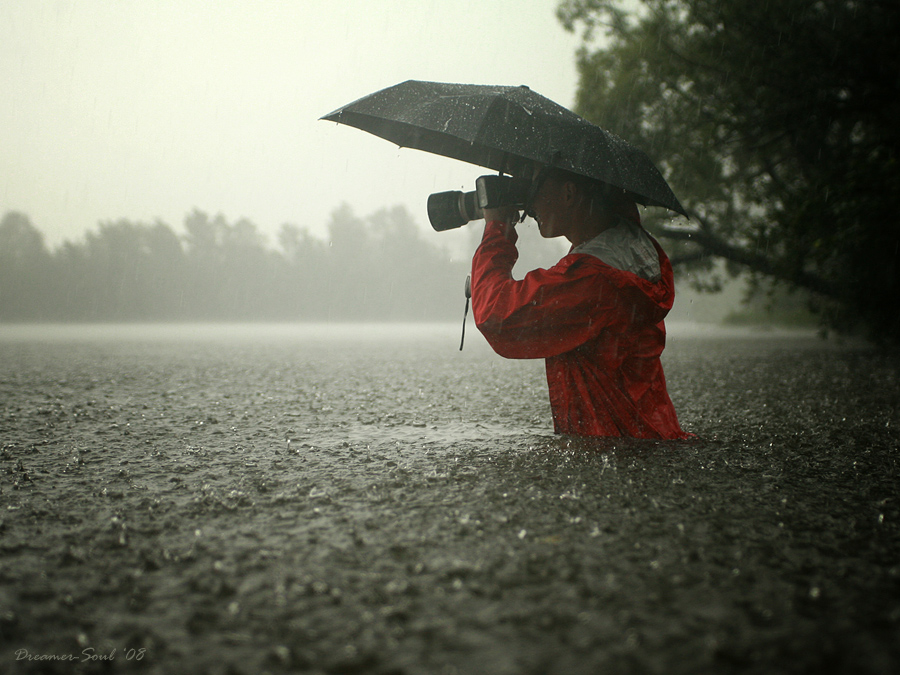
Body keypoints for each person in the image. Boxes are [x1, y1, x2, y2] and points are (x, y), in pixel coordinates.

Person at [471, 165, 690, 439]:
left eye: (535, 187)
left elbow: (497, 315)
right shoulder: (628, 246)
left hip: (612, 449)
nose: (530, 203)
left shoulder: (591, 279)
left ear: (569, 192)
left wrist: (496, 228)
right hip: (650, 435)